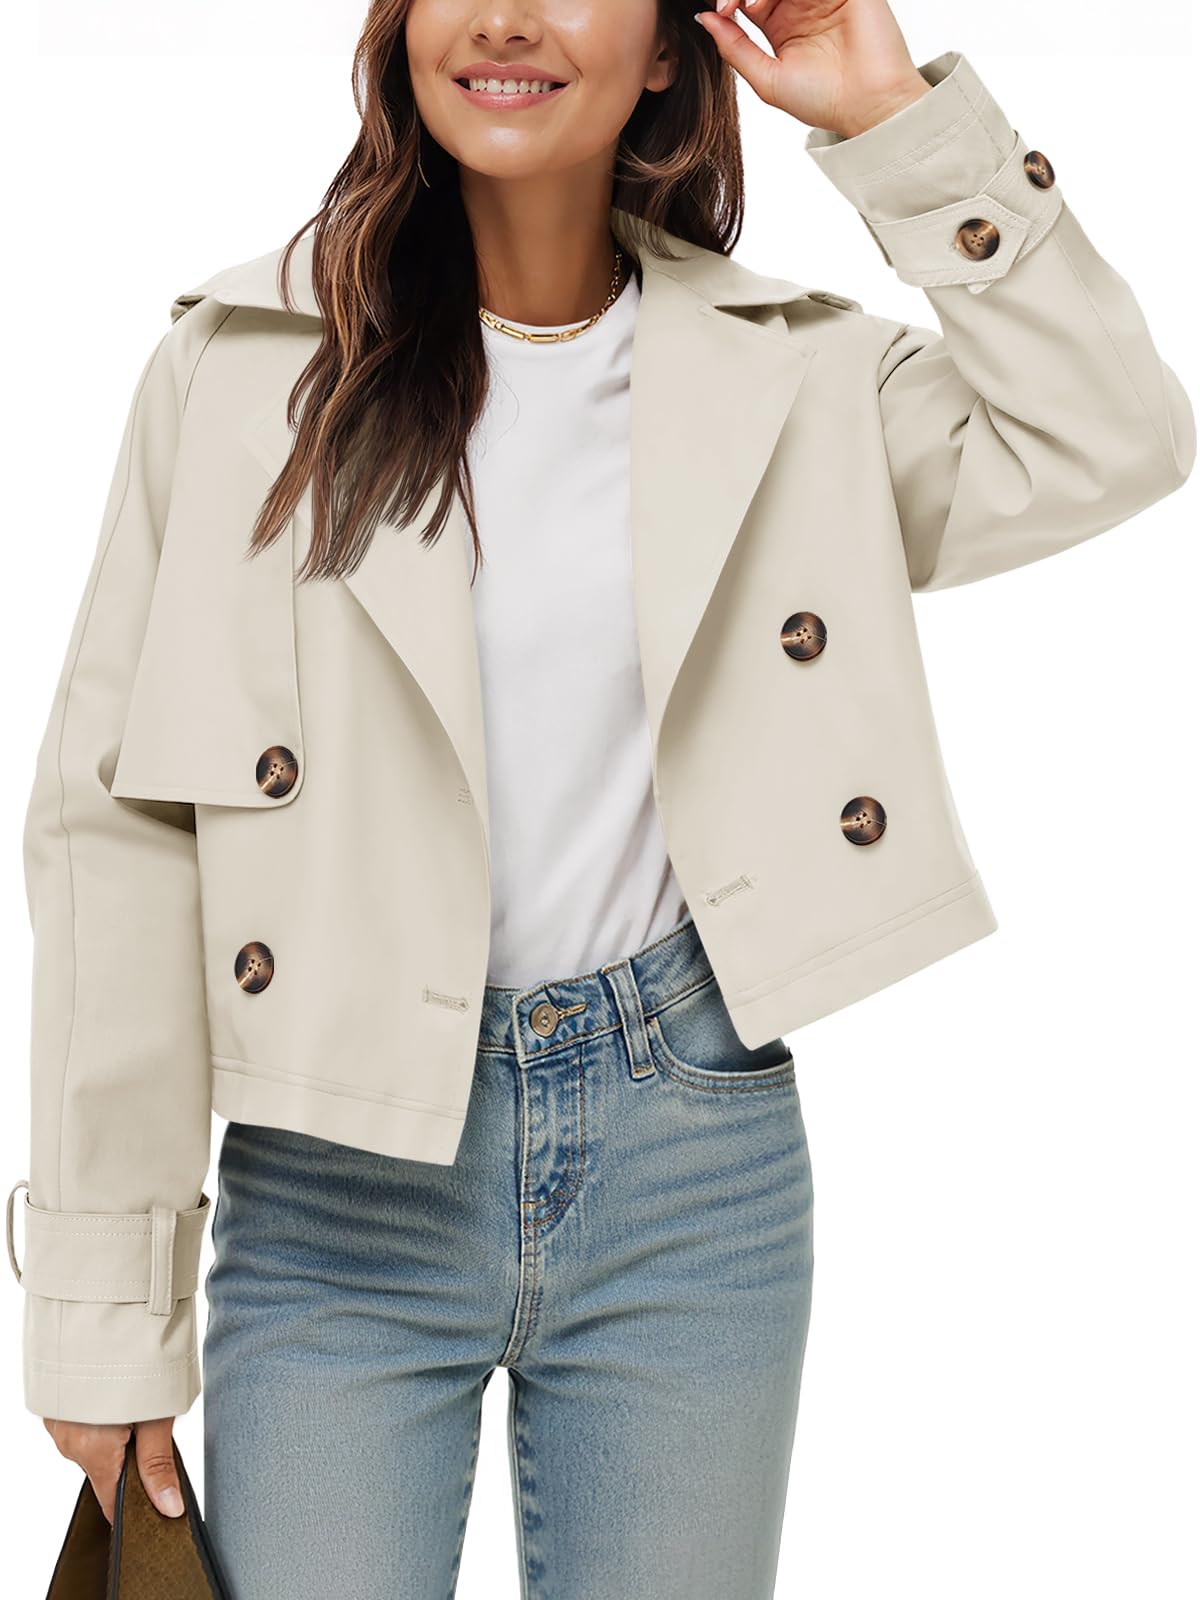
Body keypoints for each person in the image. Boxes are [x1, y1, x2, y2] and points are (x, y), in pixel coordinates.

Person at [8, 1, 1192, 1595]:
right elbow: (114, 838)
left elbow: (1110, 436)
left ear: (668, 48)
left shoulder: (795, 377)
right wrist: (103, 1302)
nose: (505, 17)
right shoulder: (238, 376)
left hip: (689, 1162)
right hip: (338, 1177)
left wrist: (892, 121)